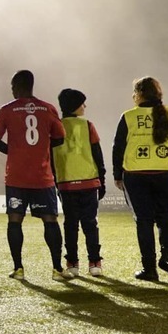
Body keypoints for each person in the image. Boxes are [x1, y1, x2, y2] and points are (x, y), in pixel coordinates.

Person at [112, 77, 168, 283]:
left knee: (144, 221)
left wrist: (117, 175)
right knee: (167, 218)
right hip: (164, 174)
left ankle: (149, 269)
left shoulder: (129, 116)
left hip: (136, 175)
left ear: (139, 94)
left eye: (134, 93)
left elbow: (118, 148)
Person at [0, 70, 67, 280]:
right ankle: (57, 269)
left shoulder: (7, 109)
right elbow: (60, 138)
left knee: (15, 220)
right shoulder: (47, 108)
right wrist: (42, 149)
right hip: (42, 176)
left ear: (16, 86)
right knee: (50, 220)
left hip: (16, 176)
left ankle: (18, 269)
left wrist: (14, 151)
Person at [52, 89, 107, 278]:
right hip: (89, 182)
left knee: (70, 225)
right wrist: (102, 180)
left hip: (65, 183)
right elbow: (97, 154)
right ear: (75, 105)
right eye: (82, 103)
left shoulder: (54, 126)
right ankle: (95, 262)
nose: (85, 106)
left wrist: (55, 180)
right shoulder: (87, 125)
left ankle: (72, 263)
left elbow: (50, 156)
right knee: (90, 224)